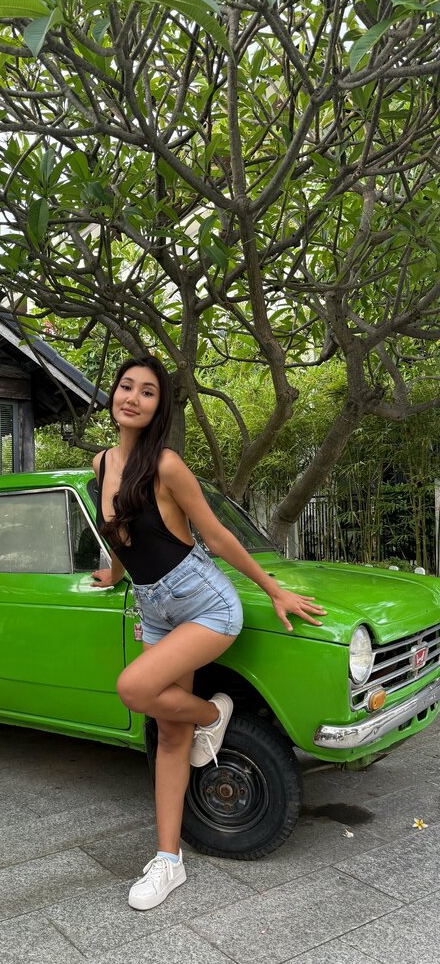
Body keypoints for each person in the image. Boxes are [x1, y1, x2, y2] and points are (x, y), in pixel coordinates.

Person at [91, 355, 326, 911]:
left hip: (204, 603)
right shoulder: (101, 463)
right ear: (114, 394)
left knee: (134, 689)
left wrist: (274, 590)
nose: (133, 398)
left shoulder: (166, 465)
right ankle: (168, 860)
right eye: (126, 387)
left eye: (148, 392)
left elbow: (215, 535)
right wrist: (116, 573)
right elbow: (121, 530)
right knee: (170, 736)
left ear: (159, 408)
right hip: (154, 606)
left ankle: (211, 715)